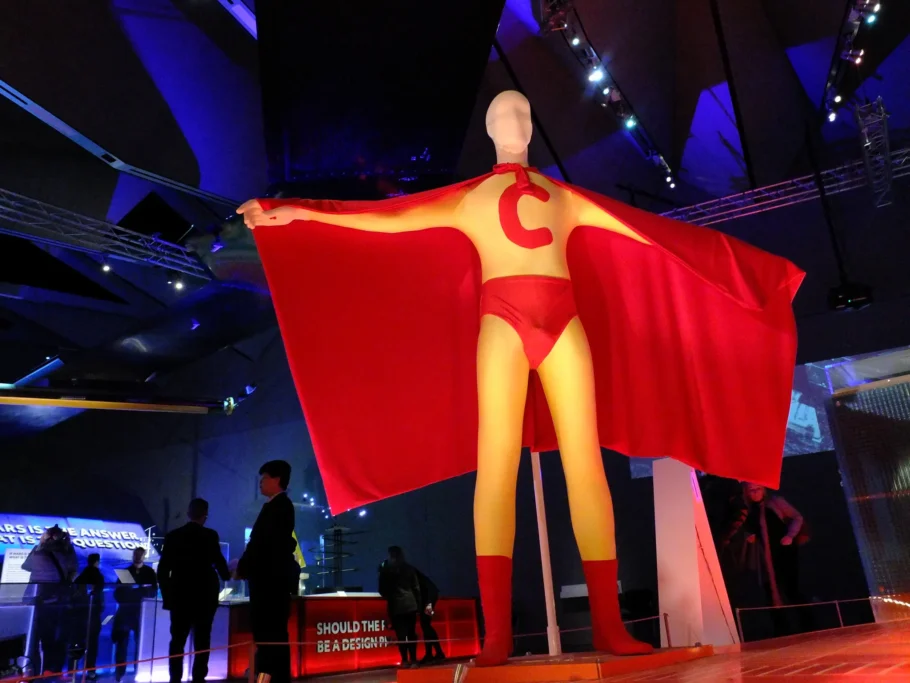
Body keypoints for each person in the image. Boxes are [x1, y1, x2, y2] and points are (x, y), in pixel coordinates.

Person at [240, 90, 802, 665]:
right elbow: (384, 220)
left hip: (562, 323)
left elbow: (654, 236)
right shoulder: (470, 199)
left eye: (523, 113)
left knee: (585, 464)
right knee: (497, 468)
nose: (515, 121)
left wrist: (752, 273)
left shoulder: (563, 198)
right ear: (488, 127)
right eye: (504, 113)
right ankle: (499, 636)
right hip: (502, 326)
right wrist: (298, 212)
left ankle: (608, 624)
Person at [235, 461, 297, 683]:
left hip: (270, 584)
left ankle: (269, 677)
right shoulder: (276, 506)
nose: (260, 483)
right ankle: (266, 676)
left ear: (276, 479)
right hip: (268, 582)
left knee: (270, 634)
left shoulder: (280, 507)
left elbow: (263, 544)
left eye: (264, 478)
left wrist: (243, 566)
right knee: (268, 634)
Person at [721, 482, 809, 636]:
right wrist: (750, 536)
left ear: (763, 490)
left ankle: (807, 625)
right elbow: (750, 529)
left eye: (758, 489)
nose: (755, 493)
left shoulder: (775, 502)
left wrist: (790, 535)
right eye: (751, 490)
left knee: (790, 589)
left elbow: (797, 517)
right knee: (771, 592)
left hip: (783, 553)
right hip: (764, 558)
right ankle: (783, 630)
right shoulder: (749, 509)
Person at [157, 499, 231, 683]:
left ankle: (175, 679)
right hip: (205, 597)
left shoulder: (173, 536)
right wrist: (228, 574)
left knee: (177, 641)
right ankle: (198, 678)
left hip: (179, 597)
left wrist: (168, 598)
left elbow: (163, 571)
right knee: (202, 641)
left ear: (188, 514)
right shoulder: (210, 536)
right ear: (205, 515)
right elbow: (220, 563)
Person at [23, 526, 79, 677]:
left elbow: (26, 566)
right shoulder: (66, 551)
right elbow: (73, 571)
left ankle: (34, 671)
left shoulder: (39, 551)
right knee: (55, 637)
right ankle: (52, 670)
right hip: (58, 600)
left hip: (37, 600)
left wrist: (41, 543)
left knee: (35, 638)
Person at [113, 547, 158, 682]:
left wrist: (134, 592)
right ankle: (120, 673)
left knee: (140, 645)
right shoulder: (126, 572)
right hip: (126, 612)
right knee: (122, 645)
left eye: (140, 555)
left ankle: (138, 672)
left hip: (141, 613)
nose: (137, 557)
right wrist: (139, 591)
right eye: (136, 554)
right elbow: (118, 593)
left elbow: (152, 591)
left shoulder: (149, 572)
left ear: (144, 556)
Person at [378, 547, 420, 668]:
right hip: (410, 605)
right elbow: (416, 588)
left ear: (390, 556)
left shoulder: (386, 571)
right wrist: (418, 605)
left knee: (401, 635)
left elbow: (382, 590)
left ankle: (404, 660)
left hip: (396, 606)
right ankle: (414, 660)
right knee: (411, 634)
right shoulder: (409, 568)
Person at [73, 554, 105, 680]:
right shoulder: (99, 576)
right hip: (93, 615)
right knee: (92, 644)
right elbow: (100, 596)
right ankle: (91, 670)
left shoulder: (81, 576)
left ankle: (72, 669)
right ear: (97, 562)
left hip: (80, 614)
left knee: (78, 642)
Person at [414, 565, 444, 662]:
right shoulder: (410, 571)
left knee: (425, 624)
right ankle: (435, 653)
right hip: (429, 597)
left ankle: (434, 653)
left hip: (429, 599)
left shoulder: (407, 572)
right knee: (426, 625)